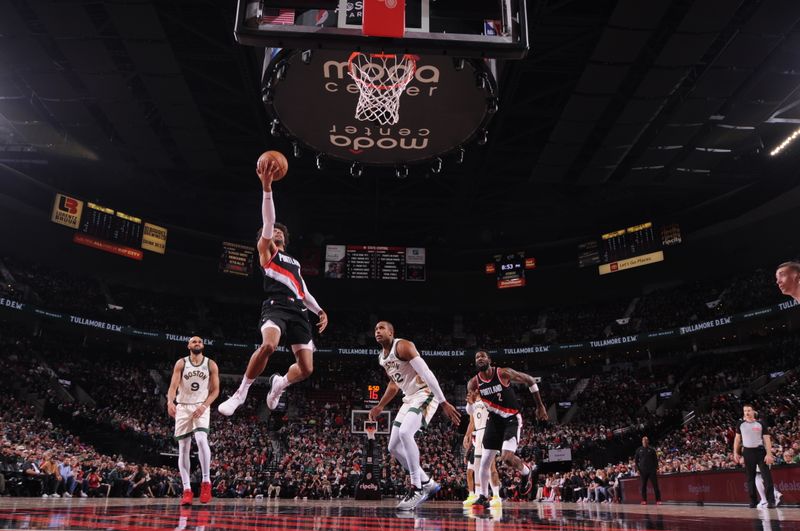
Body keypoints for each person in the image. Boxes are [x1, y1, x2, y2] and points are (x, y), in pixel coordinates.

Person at [218, 156, 328, 416]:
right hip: (276, 306)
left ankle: (279, 384)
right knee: (268, 345)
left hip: (299, 310)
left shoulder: (294, 262)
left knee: (307, 369)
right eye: (272, 231)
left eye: (280, 231)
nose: (276, 231)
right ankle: (241, 392)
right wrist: (267, 188)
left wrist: (320, 310)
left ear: (286, 239)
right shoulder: (266, 252)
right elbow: (268, 221)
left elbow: (302, 290)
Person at [369, 321, 461, 511]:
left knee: (405, 433)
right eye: (375, 329)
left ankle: (417, 487)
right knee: (392, 446)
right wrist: (380, 406)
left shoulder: (403, 346)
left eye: (381, 328)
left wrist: (443, 401)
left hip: (425, 393)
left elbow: (426, 372)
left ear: (391, 332)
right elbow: (394, 385)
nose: (377, 331)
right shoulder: (381, 358)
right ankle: (428, 482)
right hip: (409, 398)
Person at [466, 350, 547, 510]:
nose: (479, 358)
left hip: (511, 419)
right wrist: (469, 403)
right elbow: (471, 411)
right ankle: (483, 496)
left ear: (489, 359)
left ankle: (526, 471)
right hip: (493, 421)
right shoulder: (473, 383)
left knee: (507, 458)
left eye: (482, 356)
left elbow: (530, 380)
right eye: (476, 357)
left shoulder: (503, 373)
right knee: (484, 461)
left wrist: (540, 406)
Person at [167, 336, 220, 506]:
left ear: (203, 345)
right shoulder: (181, 363)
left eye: (199, 341)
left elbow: (215, 391)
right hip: (183, 406)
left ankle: (206, 482)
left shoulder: (210, 364)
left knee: (201, 439)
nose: (197, 343)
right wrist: (170, 402)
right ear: (188, 345)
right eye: (194, 341)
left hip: (201, 406)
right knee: (183, 448)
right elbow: (173, 386)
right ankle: (187, 490)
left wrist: (204, 406)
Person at [462, 390, 502, 509]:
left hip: (488, 431)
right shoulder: (472, 405)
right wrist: (467, 435)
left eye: (472, 391)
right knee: (478, 467)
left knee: (491, 466)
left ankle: (496, 496)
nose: (470, 393)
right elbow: (472, 422)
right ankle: (480, 495)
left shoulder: (487, 398)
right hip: (478, 434)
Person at [733, 404, 776, 508]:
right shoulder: (740, 424)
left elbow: (767, 439)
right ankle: (753, 501)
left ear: (753, 412)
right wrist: (735, 453)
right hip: (747, 452)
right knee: (750, 478)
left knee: (767, 477)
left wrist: (769, 454)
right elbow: (737, 439)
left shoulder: (760, 423)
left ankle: (771, 501)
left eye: (748, 410)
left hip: (760, 451)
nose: (747, 412)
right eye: (745, 411)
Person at [634, 436, 661, 505]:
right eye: (644, 440)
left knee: (655, 485)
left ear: (648, 441)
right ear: (642, 441)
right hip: (643, 471)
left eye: (646, 440)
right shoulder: (639, 450)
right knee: (643, 486)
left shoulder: (652, 450)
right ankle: (644, 500)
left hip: (652, 470)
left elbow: (655, 460)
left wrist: (657, 468)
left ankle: (658, 500)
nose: (645, 442)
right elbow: (636, 461)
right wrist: (638, 469)